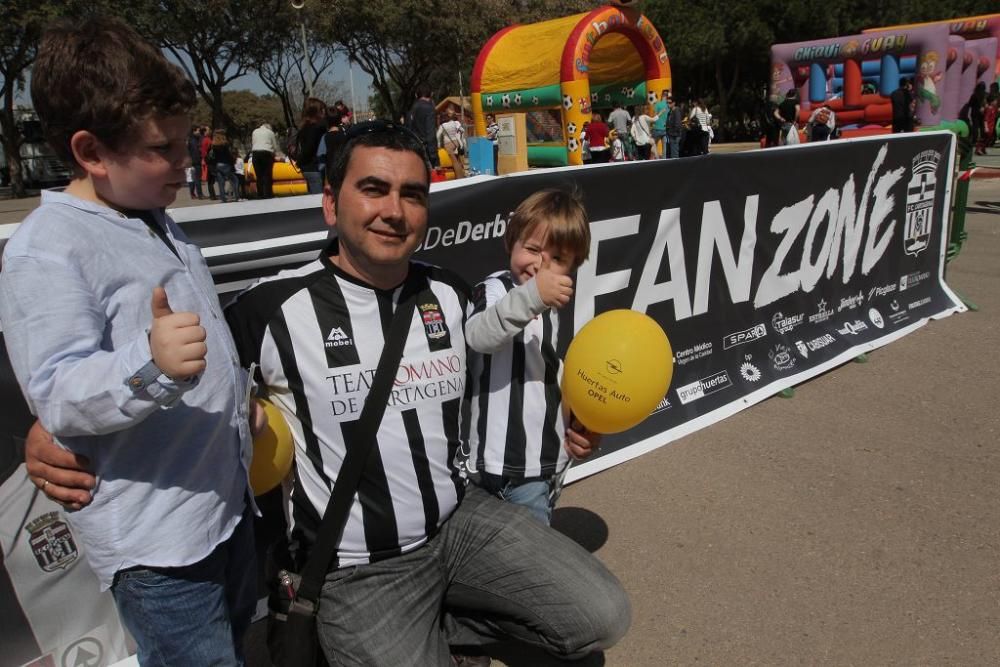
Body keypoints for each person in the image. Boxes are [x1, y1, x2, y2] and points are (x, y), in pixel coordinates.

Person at [221, 120, 631, 665]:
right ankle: (414, 629)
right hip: (362, 566)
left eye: (412, 194)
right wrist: (69, 439)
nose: (394, 210)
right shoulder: (270, 308)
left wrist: (580, 421)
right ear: (329, 203)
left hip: (462, 523)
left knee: (604, 616)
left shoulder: (450, 291)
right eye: (373, 189)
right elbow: (187, 395)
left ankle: (440, 622)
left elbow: (510, 371)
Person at [2, 17, 261, 666]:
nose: (184, 162)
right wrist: (152, 365)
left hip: (220, 511)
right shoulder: (49, 247)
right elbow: (58, 392)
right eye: (162, 149)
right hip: (160, 546)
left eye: (184, 143)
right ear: (91, 152)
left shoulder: (157, 219)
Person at [465, 188, 597, 524]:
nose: (541, 265)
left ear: (574, 266)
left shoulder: (563, 311)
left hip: (538, 471)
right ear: (512, 242)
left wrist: (586, 427)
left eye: (558, 259)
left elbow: (567, 377)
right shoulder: (495, 288)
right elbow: (480, 335)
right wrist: (532, 296)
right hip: (485, 466)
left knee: (530, 559)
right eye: (533, 249)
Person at [295, 97, 328, 194]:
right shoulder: (316, 128)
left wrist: (299, 162)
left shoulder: (304, 127)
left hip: (307, 168)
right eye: (321, 110)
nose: (324, 112)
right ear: (315, 112)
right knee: (318, 200)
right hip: (314, 168)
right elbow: (309, 148)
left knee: (312, 196)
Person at [405, 88, 439, 168]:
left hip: (413, 150)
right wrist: (433, 156)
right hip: (426, 151)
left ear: (416, 95)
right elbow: (430, 133)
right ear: (431, 94)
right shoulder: (429, 108)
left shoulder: (411, 110)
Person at [251, 120, 282, 198]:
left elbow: (253, 143)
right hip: (266, 153)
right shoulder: (270, 133)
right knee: (267, 175)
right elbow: (275, 146)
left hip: (255, 154)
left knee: (259, 175)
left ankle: (260, 194)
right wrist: (276, 154)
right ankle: (268, 194)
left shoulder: (254, 131)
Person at [209, 129, 239, 203]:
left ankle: (223, 199)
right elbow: (228, 156)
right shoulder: (225, 144)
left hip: (218, 165)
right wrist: (232, 163)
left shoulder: (214, 145)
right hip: (226, 164)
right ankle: (236, 197)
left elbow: (213, 157)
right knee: (234, 180)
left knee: (221, 183)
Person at [437, 108, 467, 178]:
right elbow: (462, 130)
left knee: (454, 162)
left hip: (448, 145)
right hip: (456, 143)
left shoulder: (442, 126)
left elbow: (438, 136)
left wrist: (438, 145)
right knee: (458, 161)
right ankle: (462, 175)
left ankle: (460, 177)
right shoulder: (455, 123)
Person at [650, 89, 670, 158]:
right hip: (664, 129)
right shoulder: (668, 106)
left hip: (656, 128)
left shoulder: (657, 104)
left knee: (654, 144)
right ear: (667, 96)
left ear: (661, 95)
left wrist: (651, 126)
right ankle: (663, 161)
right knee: (664, 147)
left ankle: (651, 160)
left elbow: (654, 117)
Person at [186, 126, 204, 198]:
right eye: (198, 131)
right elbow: (195, 152)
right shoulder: (194, 141)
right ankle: (200, 194)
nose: (199, 132)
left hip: (192, 161)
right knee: (197, 178)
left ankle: (192, 194)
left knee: (192, 178)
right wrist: (199, 159)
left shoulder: (192, 139)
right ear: (194, 131)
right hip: (195, 161)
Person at [200, 126, 218, 200]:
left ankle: (212, 195)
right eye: (208, 130)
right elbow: (204, 152)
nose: (210, 131)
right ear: (205, 132)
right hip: (210, 162)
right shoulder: (206, 140)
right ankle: (212, 195)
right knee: (211, 179)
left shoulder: (207, 139)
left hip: (210, 161)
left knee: (211, 179)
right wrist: (207, 160)